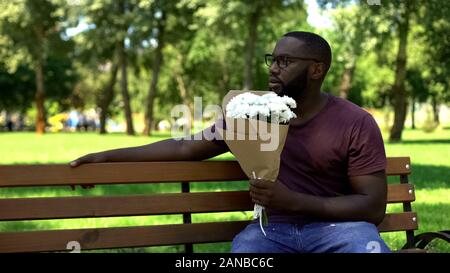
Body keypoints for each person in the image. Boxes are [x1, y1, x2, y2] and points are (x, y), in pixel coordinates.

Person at [70, 31, 390, 253]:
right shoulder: (252, 113)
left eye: (285, 61)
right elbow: (186, 147)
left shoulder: (354, 122)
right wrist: (107, 156)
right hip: (271, 232)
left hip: (339, 229)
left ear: (316, 69)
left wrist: (294, 201)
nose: (274, 69)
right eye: (272, 59)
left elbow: (372, 207)